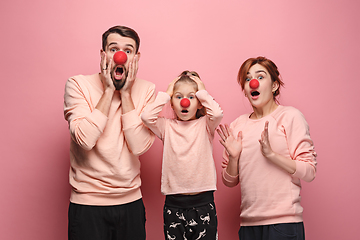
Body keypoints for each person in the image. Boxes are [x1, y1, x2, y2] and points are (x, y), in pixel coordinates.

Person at [63, 25, 156, 240]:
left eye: (128, 50)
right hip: (87, 204)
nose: (120, 56)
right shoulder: (77, 84)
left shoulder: (147, 90)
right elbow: (85, 140)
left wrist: (125, 94)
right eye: (114, 49)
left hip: (131, 203)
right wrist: (108, 91)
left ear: (136, 57)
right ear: (103, 54)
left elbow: (139, 146)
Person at [217, 56, 317, 240]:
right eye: (248, 79)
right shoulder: (237, 125)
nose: (253, 82)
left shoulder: (290, 116)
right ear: (246, 90)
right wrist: (233, 157)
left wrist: (272, 155)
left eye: (260, 77)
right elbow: (229, 181)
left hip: (283, 225)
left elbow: (310, 171)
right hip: (248, 226)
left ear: (274, 86)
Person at [141, 71, 223, 240]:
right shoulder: (166, 126)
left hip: (203, 203)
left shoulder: (206, 124)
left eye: (191, 97)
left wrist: (201, 91)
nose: (184, 102)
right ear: (171, 103)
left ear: (200, 103)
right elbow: (146, 117)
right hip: (174, 204)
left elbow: (217, 113)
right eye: (178, 97)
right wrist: (167, 93)